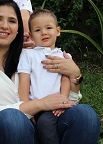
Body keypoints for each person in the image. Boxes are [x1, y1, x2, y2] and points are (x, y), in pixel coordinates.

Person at [0, 0, 101, 144]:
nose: (5, 26)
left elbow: (66, 101)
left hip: (36, 134)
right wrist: (40, 105)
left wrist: (75, 76)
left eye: (12, 21)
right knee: (13, 119)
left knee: (85, 114)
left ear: (19, 29)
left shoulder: (31, 57)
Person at [18, 9, 77, 144]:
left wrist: (63, 100)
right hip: (36, 106)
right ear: (31, 36)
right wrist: (27, 107)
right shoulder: (28, 55)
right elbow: (24, 81)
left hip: (57, 107)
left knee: (46, 123)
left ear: (58, 31)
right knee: (43, 125)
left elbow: (66, 79)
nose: (44, 32)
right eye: (38, 30)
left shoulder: (63, 56)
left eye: (48, 28)